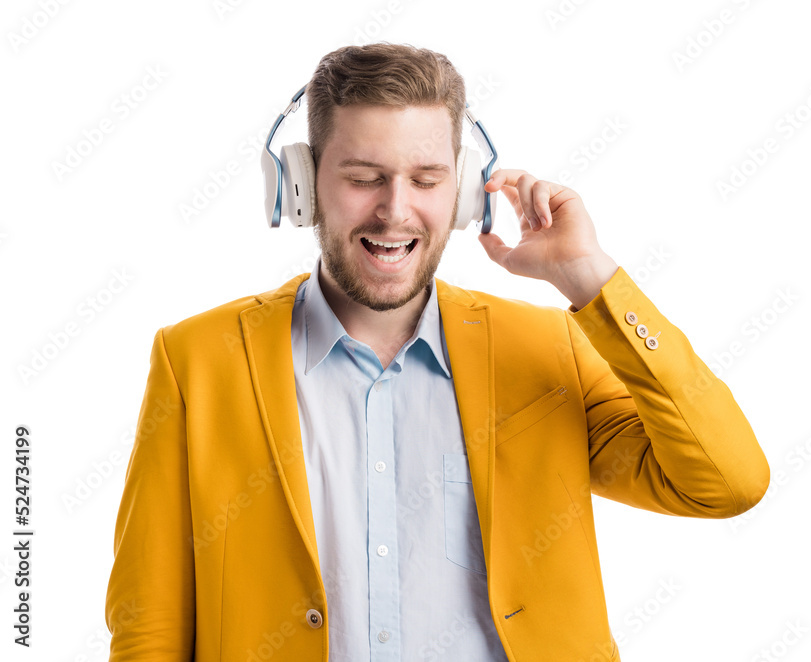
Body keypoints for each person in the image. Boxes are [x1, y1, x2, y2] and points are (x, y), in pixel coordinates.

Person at [105, 42, 770, 662]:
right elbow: (150, 619)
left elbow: (725, 482)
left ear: (463, 191)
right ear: (301, 185)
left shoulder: (549, 348)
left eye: (426, 179)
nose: (395, 211)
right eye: (365, 177)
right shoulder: (198, 360)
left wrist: (591, 279)